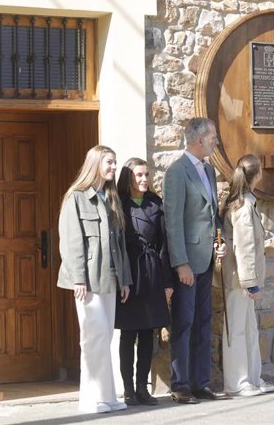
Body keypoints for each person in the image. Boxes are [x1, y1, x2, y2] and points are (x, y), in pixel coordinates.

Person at [57, 145, 131, 414]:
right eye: (109, 162)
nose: (113, 167)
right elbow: (71, 242)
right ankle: (90, 400)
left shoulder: (111, 198)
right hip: (87, 279)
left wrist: (125, 279)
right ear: (95, 164)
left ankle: (108, 396)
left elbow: (119, 244)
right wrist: (78, 278)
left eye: (114, 162)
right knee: (93, 337)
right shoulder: (75, 198)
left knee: (106, 336)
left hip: (110, 278)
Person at [163, 117, 231, 404]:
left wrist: (220, 240)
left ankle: (201, 382)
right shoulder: (177, 172)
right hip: (188, 264)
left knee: (204, 322)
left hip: (206, 260)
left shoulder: (209, 170)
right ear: (197, 139)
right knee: (184, 322)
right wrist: (180, 264)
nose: (216, 141)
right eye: (212, 136)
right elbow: (173, 222)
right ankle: (180, 385)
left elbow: (212, 215)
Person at [114, 158, 173, 406]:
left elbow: (164, 245)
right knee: (128, 334)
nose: (144, 179)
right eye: (139, 175)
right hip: (129, 274)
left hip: (151, 274)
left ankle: (142, 388)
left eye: (147, 175)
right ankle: (128, 389)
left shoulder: (156, 204)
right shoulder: (118, 205)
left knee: (148, 333)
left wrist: (167, 281)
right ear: (129, 177)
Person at [219, 154, 274, 397]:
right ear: (258, 174)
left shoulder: (247, 201)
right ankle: (237, 382)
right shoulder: (242, 206)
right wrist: (250, 283)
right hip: (238, 278)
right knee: (236, 329)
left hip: (243, 278)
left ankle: (252, 377)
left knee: (249, 328)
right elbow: (244, 247)